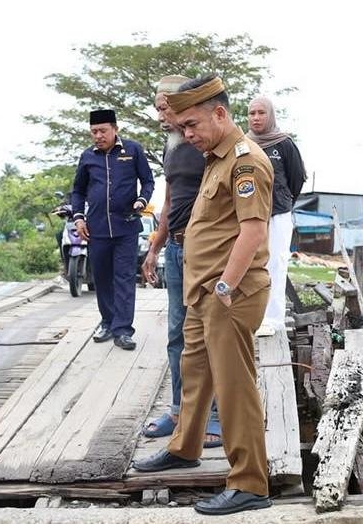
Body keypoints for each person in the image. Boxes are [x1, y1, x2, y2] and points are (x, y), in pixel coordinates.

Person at [132, 75, 273, 516]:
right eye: (181, 126)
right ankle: (184, 447)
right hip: (203, 290)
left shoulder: (246, 161)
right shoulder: (213, 157)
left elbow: (253, 230)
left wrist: (226, 286)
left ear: (220, 113)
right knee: (193, 372)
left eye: (191, 124)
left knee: (234, 387)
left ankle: (250, 482)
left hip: (230, 292)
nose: (185, 133)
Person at [141, 75, 221, 448]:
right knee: (176, 334)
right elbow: (170, 198)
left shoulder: (207, 142)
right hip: (174, 248)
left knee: (208, 332)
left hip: (203, 249)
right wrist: (155, 247)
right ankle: (178, 410)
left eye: (164, 106)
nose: (160, 114)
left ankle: (215, 416)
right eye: (157, 107)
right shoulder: (172, 144)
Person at [71, 109, 154, 349]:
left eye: (102, 131)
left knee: (125, 278)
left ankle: (123, 330)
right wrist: (78, 218)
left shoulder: (133, 150)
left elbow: (148, 180)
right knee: (102, 278)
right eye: (94, 132)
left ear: (115, 129)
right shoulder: (87, 157)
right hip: (96, 229)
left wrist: (142, 200)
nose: (98, 135)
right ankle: (107, 321)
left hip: (126, 227)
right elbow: (78, 191)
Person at [246, 97, 307, 336]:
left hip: (278, 214)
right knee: (250, 264)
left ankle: (272, 319)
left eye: (261, 113)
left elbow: (296, 179)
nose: (256, 118)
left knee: (275, 264)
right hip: (249, 215)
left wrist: (283, 200)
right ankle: (253, 315)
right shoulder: (243, 143)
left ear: (270, 115)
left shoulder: (284, 144)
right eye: (252, 113)